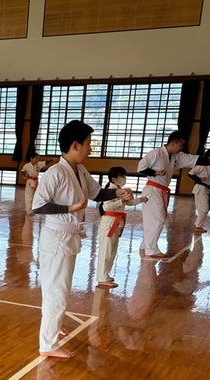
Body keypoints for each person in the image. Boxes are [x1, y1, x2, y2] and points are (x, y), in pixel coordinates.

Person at [32, 120, 133, 360]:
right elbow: (38, 206)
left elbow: (97, 193)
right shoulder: (56, 172)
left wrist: (117, 192)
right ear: (75, 145)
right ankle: (48, 343)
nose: (90, 148)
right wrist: (69, 208)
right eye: (88, 143)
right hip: (56, 238)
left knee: (57, 289)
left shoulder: (79, 170)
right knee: (57, 292)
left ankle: (53, 328)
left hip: (68, 237)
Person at [137, 131, 199, 258]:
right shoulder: (156, 153)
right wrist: (155, 173)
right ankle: (151, 249)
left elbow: (191, 159)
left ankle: (145, 245)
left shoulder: (175, 156)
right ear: (173, 143)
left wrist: (208, 160)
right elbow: (141, 168)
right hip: (152, 190)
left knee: (153, 219)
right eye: (180, 145)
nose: (181, 148)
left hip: (161, 191)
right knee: (157, 219)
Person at [95, 166, 147, 289]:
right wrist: (121, 200)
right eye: (121, 176)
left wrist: (141, 199)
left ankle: (106, 274)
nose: (124, 178)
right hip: (109, 222)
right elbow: (106, 207)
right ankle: (102, 278)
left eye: (124, 176)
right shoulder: (109, 190)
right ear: (114, 179)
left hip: (117, 222)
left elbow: (128, 202)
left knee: (112, 251)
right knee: (106, 251)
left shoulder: (120, 190)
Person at [20, 151, 55, 216]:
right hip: (30, 181)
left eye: (37, 158)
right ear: (31, 158)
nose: (37, 160)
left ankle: (31, 208)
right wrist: (25, 174)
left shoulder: (38, 164)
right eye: (36, 158)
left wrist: (51, 160)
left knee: (34, 196)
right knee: (29, 197)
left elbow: (45, 162)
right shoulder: (27, 165)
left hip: (36, 181)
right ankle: (28, 211)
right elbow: (23, 171)